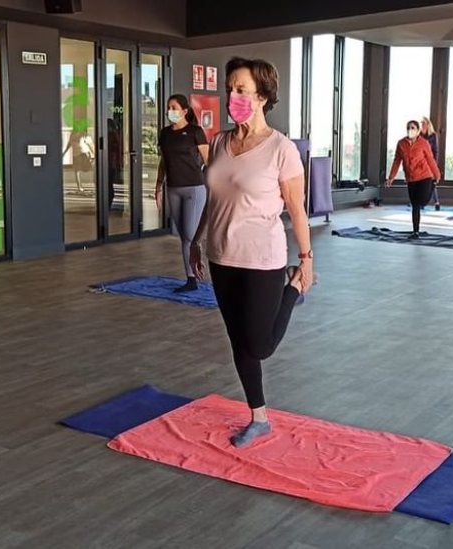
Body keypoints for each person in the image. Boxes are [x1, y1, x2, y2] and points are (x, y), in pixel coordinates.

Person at [189, 57, 315, 448]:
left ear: (261, 97)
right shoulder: (220, 143)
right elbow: (213, 199)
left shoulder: (281, 149)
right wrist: (197, 240)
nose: (233, 96)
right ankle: (258, 417)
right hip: (221, 256)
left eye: (241, 89)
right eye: (230, 88)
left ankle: (292, 290)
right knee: (238, 342)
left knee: (258, 344)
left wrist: (306, 261)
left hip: (263, 259)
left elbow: (297, 209)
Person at [155, 94, 209, 293]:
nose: (171, 111)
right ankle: (190, 276)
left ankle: (192, 278)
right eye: (169, 107)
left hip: (194, 188)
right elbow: (163, 162)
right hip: (173, 188)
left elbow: (208, 160)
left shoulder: (195, 132)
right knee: (183, 236)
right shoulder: (165, 133)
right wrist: (158, 185)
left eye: (174, 107)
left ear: (185, 111)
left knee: (189, 235)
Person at [386, 120, 442, 237]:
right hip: (411, 179)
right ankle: (415, 231)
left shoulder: (424, 143)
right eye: (408, 128)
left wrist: (437, 174)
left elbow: (430, 160)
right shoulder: (401, 144)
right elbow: (397, 161)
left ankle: (432, 186)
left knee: (423, 201)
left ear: (417, 131)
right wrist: (391, 177)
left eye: (412, 128)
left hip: (424, 176)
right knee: (415, 205)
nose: (410, 130)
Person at [420, 115, 442, 211]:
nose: (422, 125)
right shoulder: (418, 136)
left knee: (431, 183)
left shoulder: (433, 136)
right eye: (421, 123)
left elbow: (435, 150)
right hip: (420, 162)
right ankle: (421, 202)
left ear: (428, 125)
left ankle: (436, 202)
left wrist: (434, 164)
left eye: (424, 123)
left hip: (430, 162)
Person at [63, 129, 95, 195]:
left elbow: (90, 145)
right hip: (76, 154)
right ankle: (80, 187)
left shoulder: (84, 134)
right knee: (77, 170)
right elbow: (69, 143)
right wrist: (64, 152)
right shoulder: (72, 133)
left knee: (86, 169)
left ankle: (94, 184)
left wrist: (95, 154)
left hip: (83, 153)